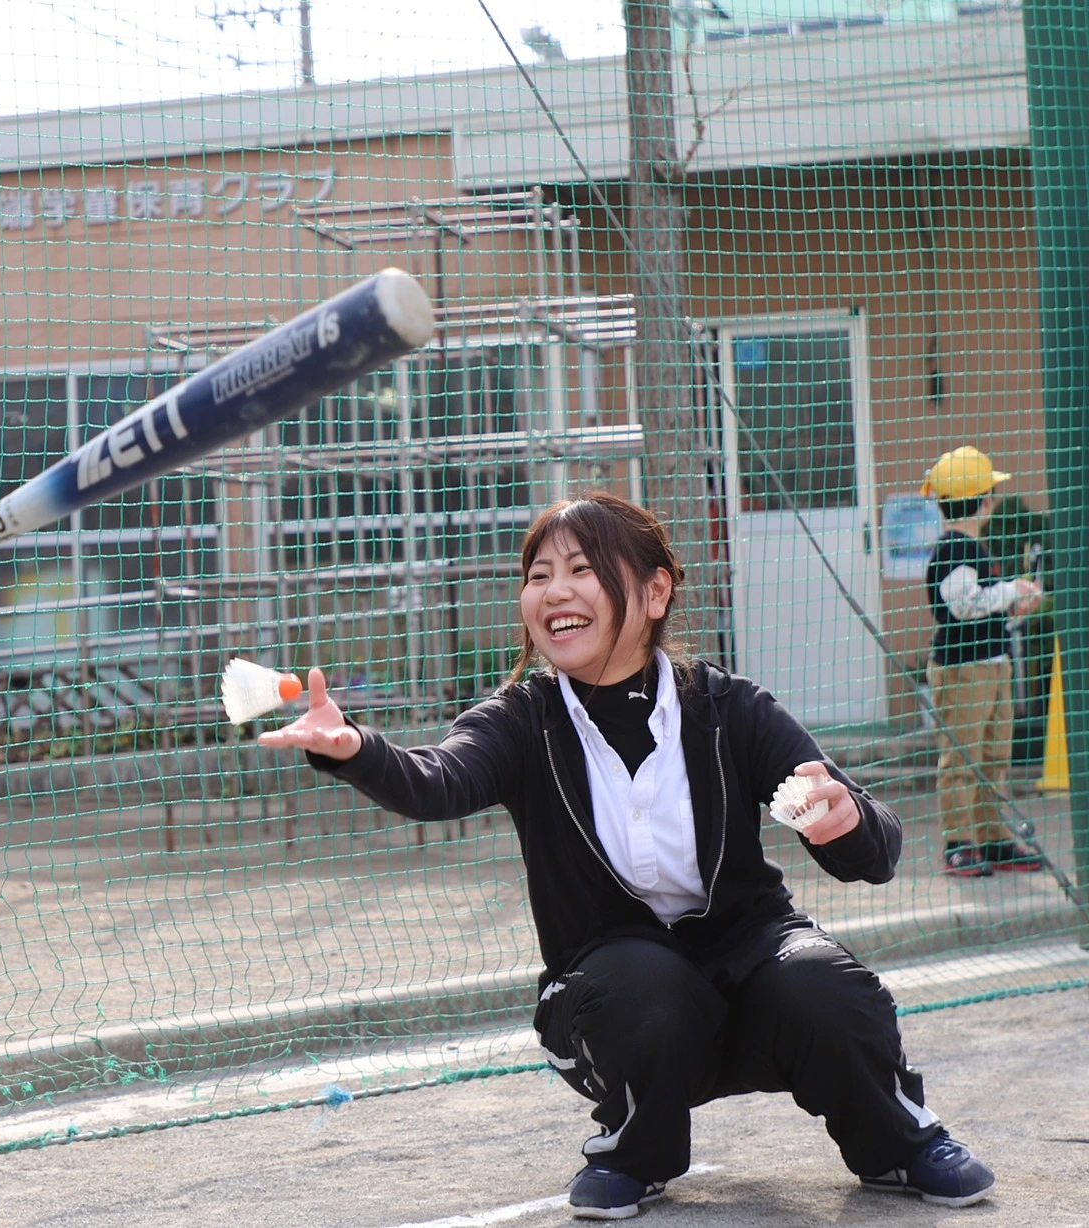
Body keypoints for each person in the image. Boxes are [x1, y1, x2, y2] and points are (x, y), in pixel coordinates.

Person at [260, 493, 995, 1220]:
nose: (555, 592)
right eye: (539, 575)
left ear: (654, 592)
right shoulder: (522, 720)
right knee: (642, 980)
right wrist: (354, 748)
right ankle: (632, 1153)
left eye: (580, 569)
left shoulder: (730, 709)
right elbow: (437, 780)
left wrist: (848, 821)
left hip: (753, 982)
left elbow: (876, 850)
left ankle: (899, 1143)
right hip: (616, 1003)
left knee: (822, 983)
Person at [920, 446, 1044, 877]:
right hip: (964, 670)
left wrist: (1013, 608)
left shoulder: (971, 546)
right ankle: (958, 843)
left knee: (993, 754)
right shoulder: (954, 549)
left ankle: (992, 838)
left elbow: (981, 609)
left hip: (993, 663)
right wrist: (1012, 590)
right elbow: (963, 605)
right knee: (962, 757)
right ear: (983, 500)